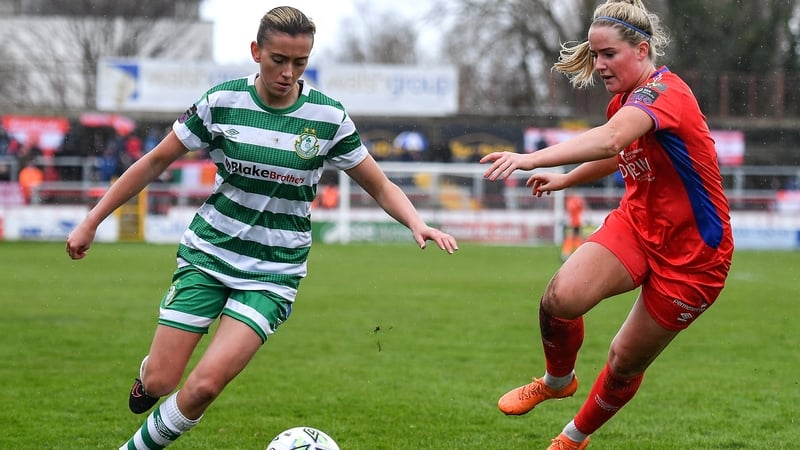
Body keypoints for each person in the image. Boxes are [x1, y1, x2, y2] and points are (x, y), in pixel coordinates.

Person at [66, 6, 458, 449]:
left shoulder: (327, 117)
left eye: (300, 62)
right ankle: (149, 375)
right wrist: (92, 220)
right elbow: (155, 161)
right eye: (279, 60)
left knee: (204, 387)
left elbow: (380, 184)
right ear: (256, 52)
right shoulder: (222, 102)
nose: (288, 73)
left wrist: (416, 221)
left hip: (274, 272)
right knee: (161, 380)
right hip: (209, 254)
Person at [480, 1, 733, 448]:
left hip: (695, 256)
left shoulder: (666, 93)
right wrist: (566, 179)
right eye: (596, 55)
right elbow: (621, 152)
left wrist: (531, 158)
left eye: (608, 54)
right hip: (637, 226)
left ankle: (572, 438)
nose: (599, 65)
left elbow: (613, 139)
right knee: (561, 298)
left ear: (641, 50)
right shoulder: (625, 102)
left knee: (623, 361)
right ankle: (558, 381)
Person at [561, 190, 586, 261]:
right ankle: (569, 253)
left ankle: (568, 253)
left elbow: (579, 208)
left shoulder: (571, 201)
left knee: (573, 238)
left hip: (575, 223)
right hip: (573, 223)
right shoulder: (572, 201)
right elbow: (577, 207)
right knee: (573, 238)